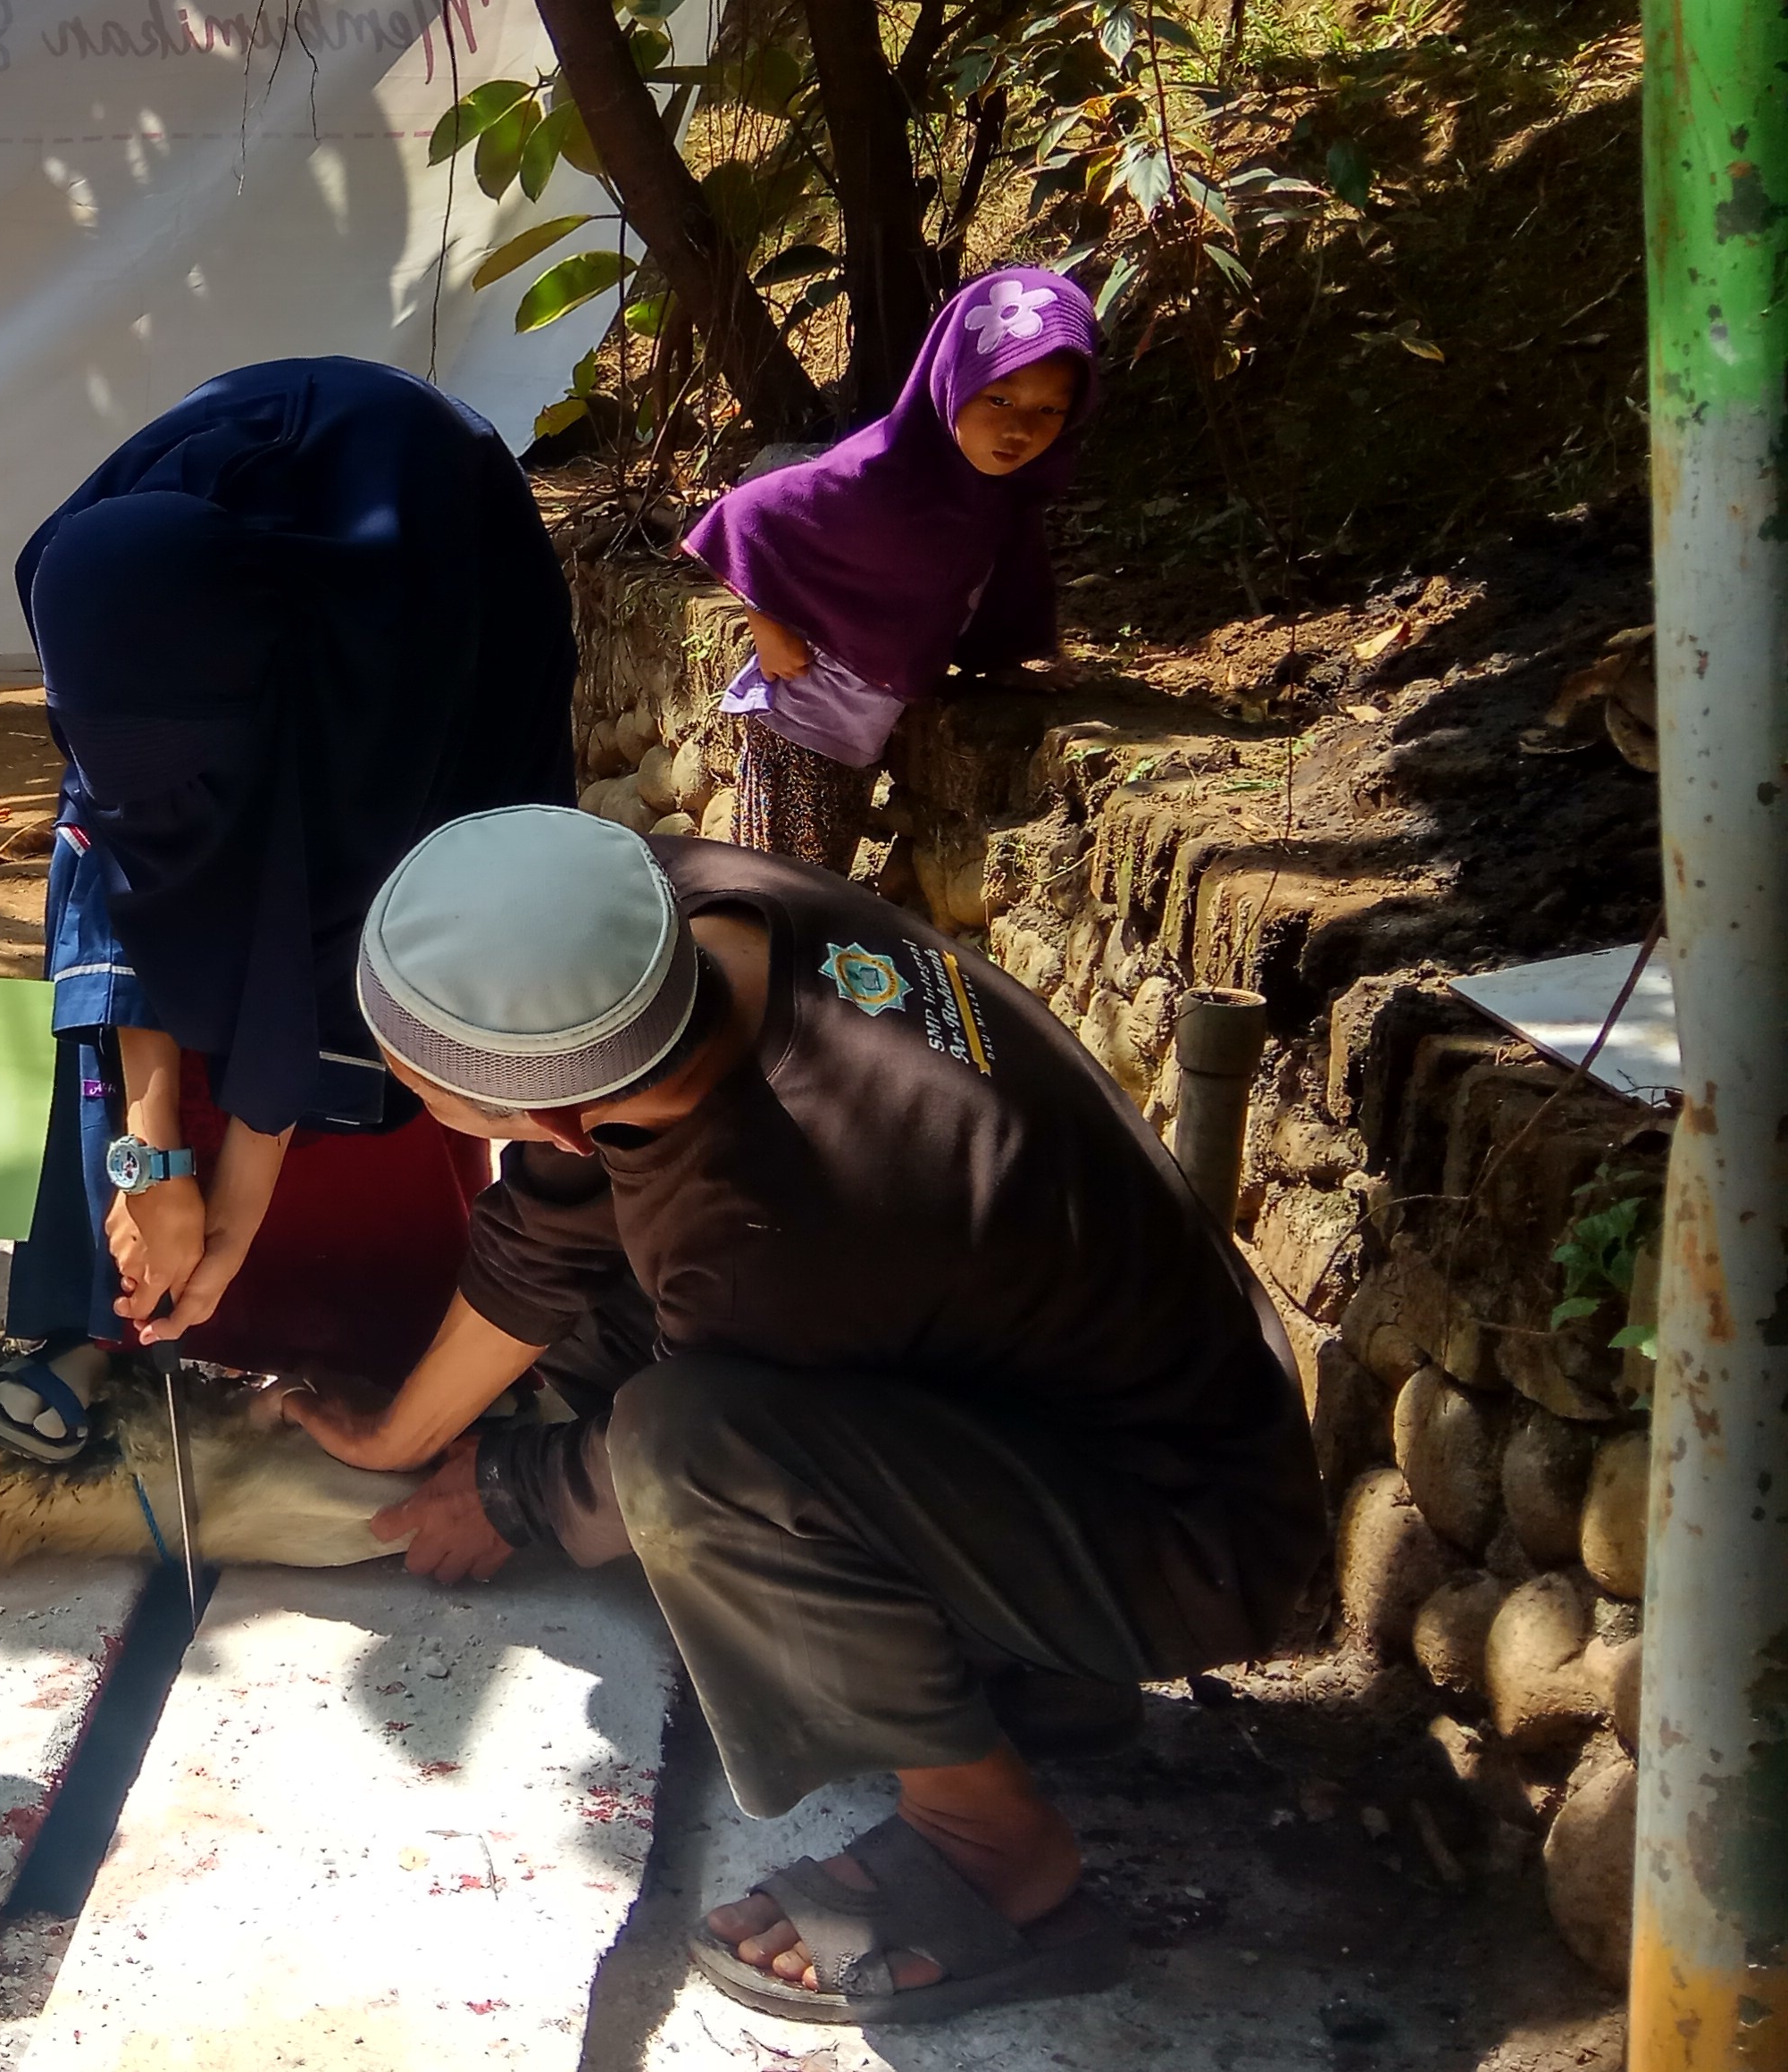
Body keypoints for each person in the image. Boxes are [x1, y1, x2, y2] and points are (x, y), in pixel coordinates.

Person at [290, 805, 1323, 2025]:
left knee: (684, 1458)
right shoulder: (680, 921)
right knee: (601, 1336)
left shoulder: (779, 1219)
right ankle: (1023, 1671)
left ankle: (992, 1846)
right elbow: (550, 1231)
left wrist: (514, 1490)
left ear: (556, 1116)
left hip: (1183, 1539)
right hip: (1055, 1414)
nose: (410, 1093)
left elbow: (669, 1458)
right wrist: (400, 1440)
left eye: (426, 1088)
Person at [0, 358, 579, 1463]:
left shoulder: (394, 677)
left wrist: (237, 1206)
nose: (165, 811)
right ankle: (104, 1323)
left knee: (396, 984)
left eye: (183, 778)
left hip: (432, 668)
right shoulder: (108, 590)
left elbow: (322, 917)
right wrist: (145, 1161)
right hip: (233, 659)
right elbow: (133, 863)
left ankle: (403, 1340)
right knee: (110, 965)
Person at [690, 269, 1098, 875]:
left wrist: (1009, 660)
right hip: (803, 724)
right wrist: (768, 627)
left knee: (807, 901)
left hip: (860, 735)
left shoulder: (994, 495)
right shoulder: (879, 474)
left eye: (1050, 410)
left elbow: (990, 587)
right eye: (1000, 399)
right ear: (954, 379)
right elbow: (748, 512)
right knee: (781, 901)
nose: (1019, 428)